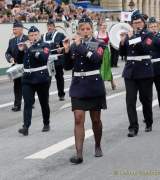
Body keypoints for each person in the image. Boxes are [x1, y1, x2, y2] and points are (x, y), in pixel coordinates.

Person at [63, 15, 107, 164]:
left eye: (88, 28)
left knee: (96, 120)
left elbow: (96, 59)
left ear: (92, 29)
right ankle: (79, 154)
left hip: (94, 86)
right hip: (78, 86)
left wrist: (80, 46)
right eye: (82, 29)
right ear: (78, 30)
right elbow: (67, 66)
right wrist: (67, 50)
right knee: (78, 118)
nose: (85, 31)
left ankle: (97, 145)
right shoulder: (75, 44)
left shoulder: (100, 44)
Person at [119, 11, 154, 137]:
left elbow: (145, 48)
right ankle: (133, 127)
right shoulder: (129, 35)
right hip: (130, 72)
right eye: (134, 23)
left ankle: (148, 122)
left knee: (145, 99)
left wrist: (133, 38)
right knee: (130, 100)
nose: (137, 25)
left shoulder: (149, 34)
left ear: (143, 23)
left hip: (144, 71)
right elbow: (122, 53)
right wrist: (122, 42)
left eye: (139, 22)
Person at [18, 26, 51, 136]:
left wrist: (30, 48)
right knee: (27, 103)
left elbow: (43, 58)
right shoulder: (26, 45)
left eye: (35, 35)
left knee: (43, 102)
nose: (33, 37)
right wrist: (20, 50)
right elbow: (18, 59)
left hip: (41, 78)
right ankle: (26, 127)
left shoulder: (45, 45)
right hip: (27, 78)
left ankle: (46, 123)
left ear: (39, 35)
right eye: (31, 35)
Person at [5, 20, 28, 112]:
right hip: (16, 67)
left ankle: (29, 102)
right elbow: (7, 53)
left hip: (26, 66)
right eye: (13, 29)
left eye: (16, 29)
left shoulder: (27, 38)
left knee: (27, 86)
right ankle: (17, 105)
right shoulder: (12, 41)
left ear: (21, 29)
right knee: (17, 86)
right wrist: (10, 58)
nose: (14, 31)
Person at [43, 19, 65, 101]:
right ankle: (45, 96)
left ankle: (61, 94)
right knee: (47, 79)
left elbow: (65, 45)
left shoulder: (60, 35)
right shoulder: (43, 36)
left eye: (51, 26)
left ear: (54, 26)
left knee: (59, 78)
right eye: (48, 26)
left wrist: (61, 49)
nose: (49, 27)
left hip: (58, 60)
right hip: (48, 61)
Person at [147, 17, 160, 118]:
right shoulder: (147, 38)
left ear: (157, 27)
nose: (153, 28)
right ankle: (148, 115)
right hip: (148, 68)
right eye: (151, 27)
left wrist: (153, 37)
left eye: (155, 27)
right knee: (147, 93)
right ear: (148, 28)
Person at [94, 22, 116, 90]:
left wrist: (110, 52)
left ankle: (112, 81)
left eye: (105, 26)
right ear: (100, 26)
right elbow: (93, 42)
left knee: (106, 67)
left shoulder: (108, 33)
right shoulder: (96, 33)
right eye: (103, 25)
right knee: (100, 67)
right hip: (98, 51)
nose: (104, 27)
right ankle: (102, 83)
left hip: (106, 51)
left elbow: (111, 43)